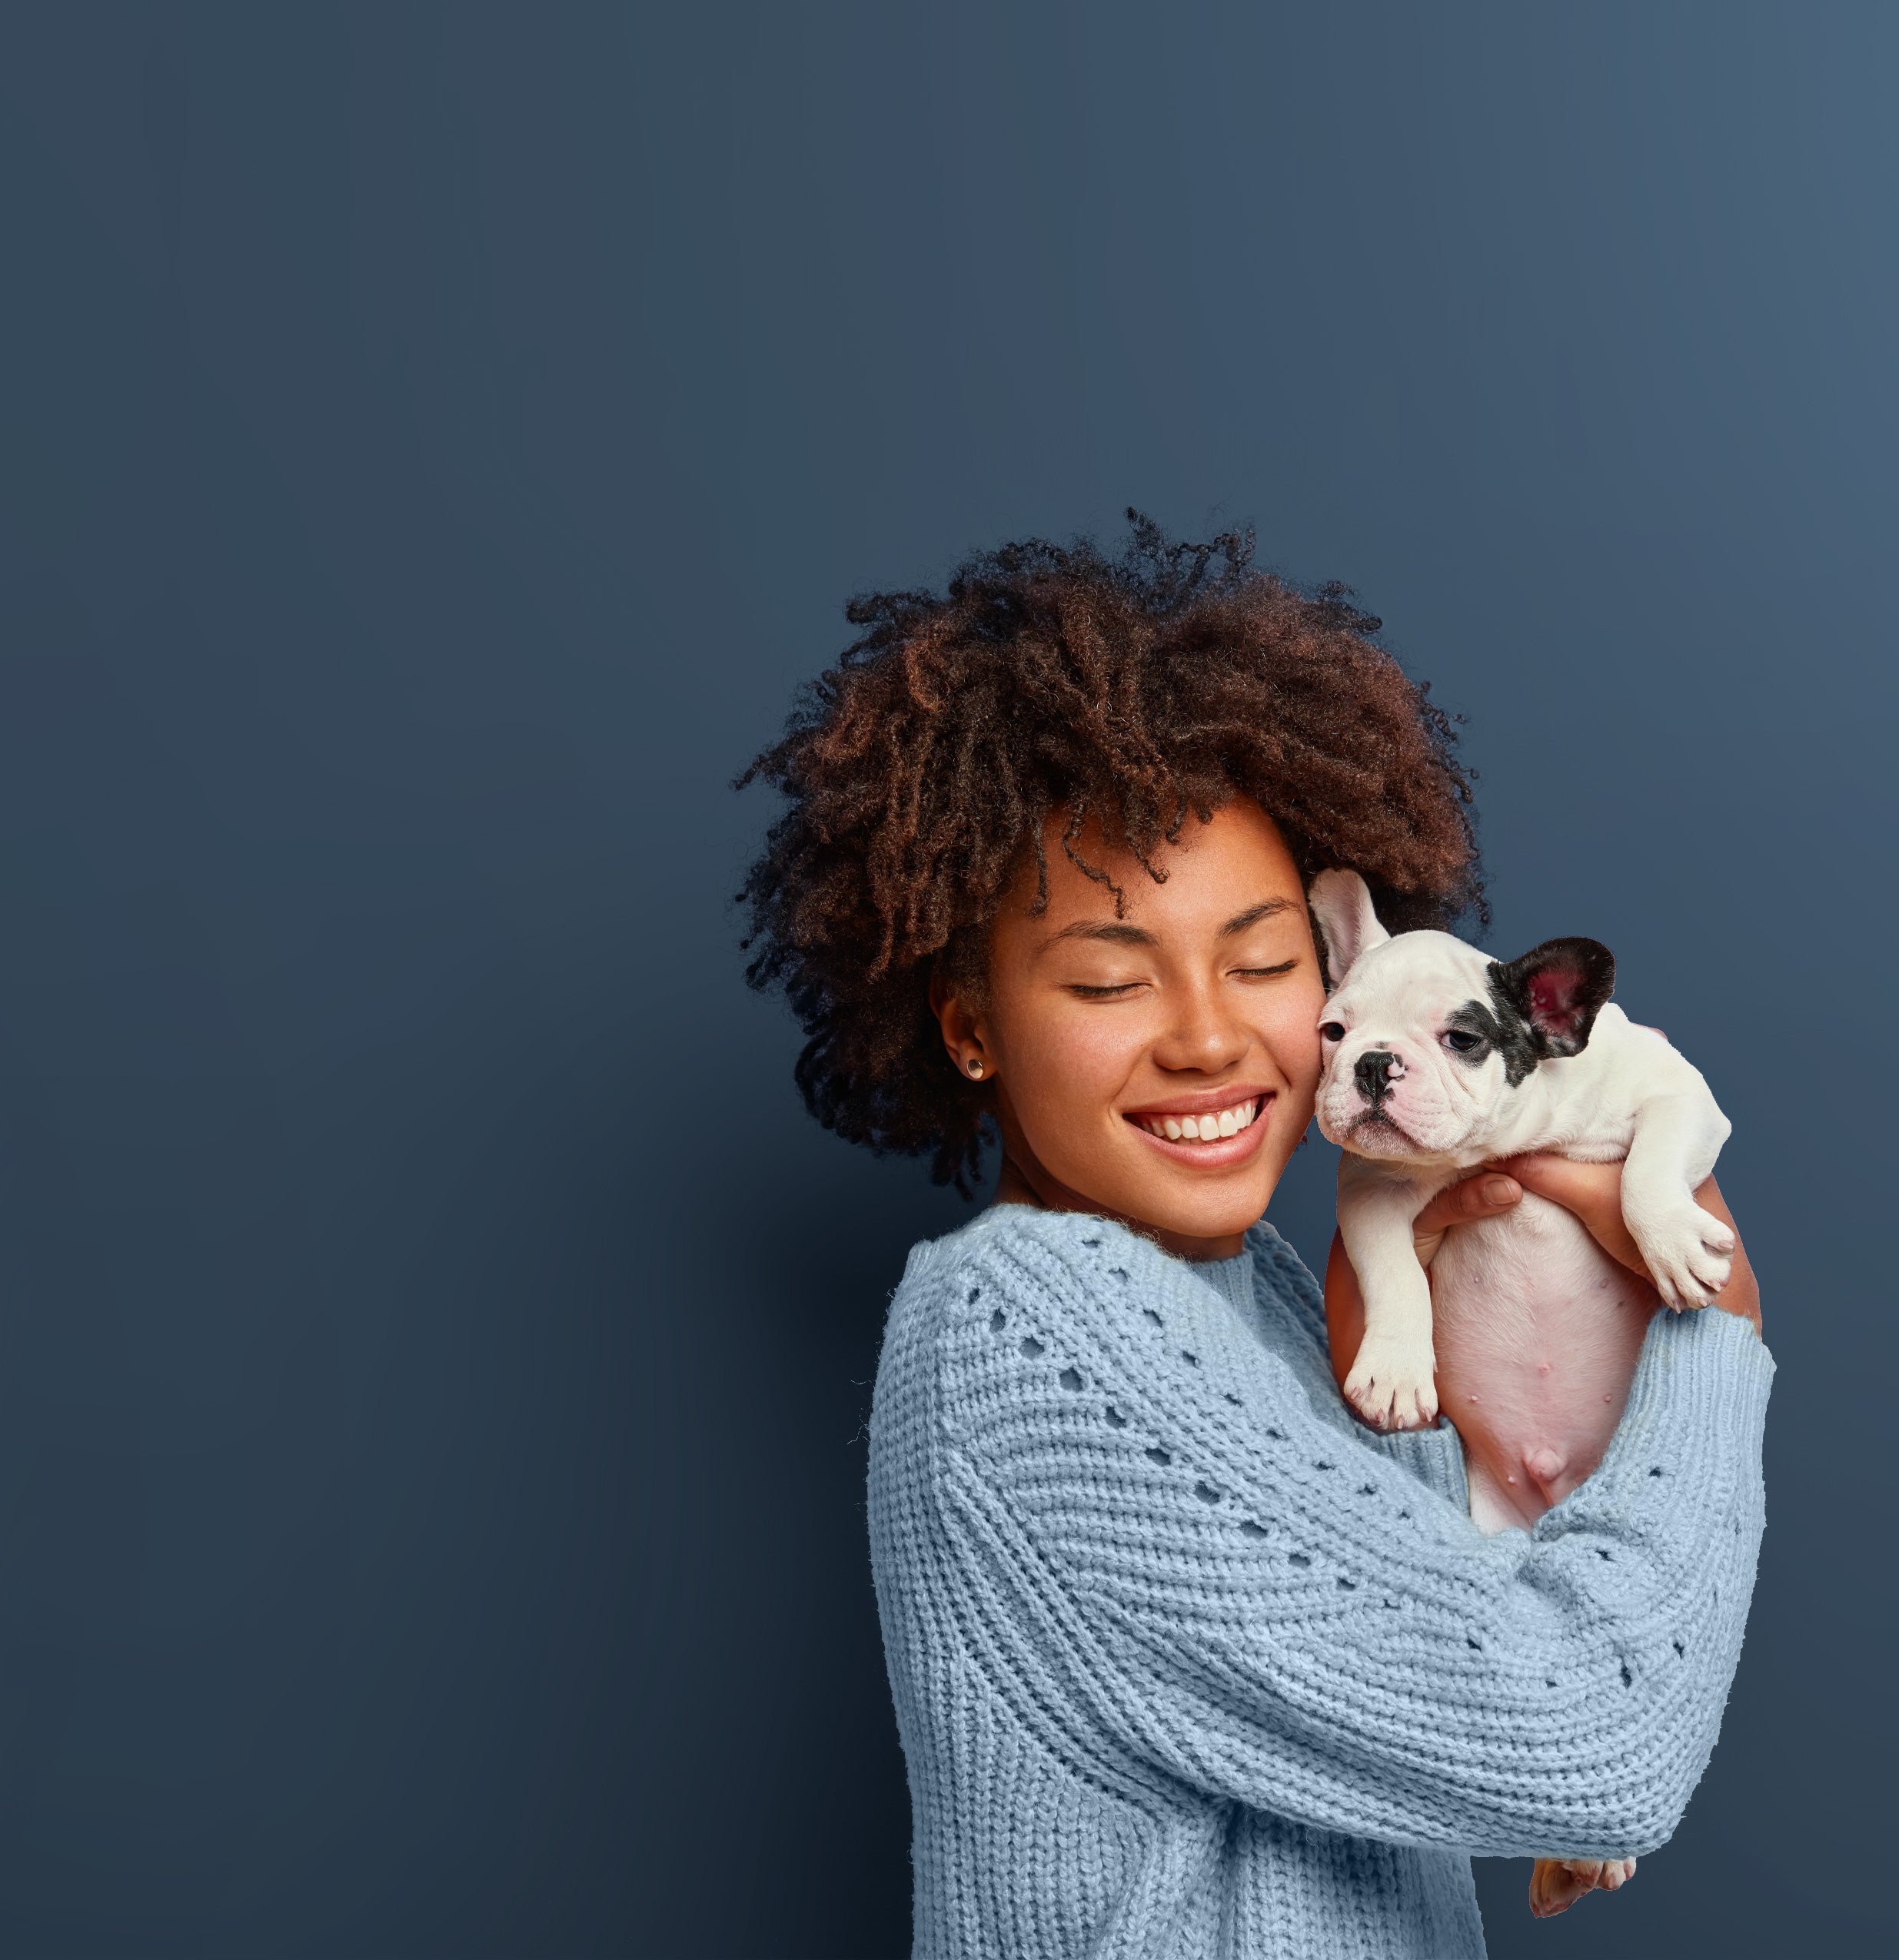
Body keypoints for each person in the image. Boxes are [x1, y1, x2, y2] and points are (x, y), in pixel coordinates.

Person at [736, 518, 1771, 1958]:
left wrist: (1396, 1308)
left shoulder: (1245, 1288)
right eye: (1110, 981)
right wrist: (1717, 1339)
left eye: (1268, 962)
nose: (1212, 1037)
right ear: (969, 1026)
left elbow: (1414, 1649)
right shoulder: (1027, 1323)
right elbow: (1587, 1735)